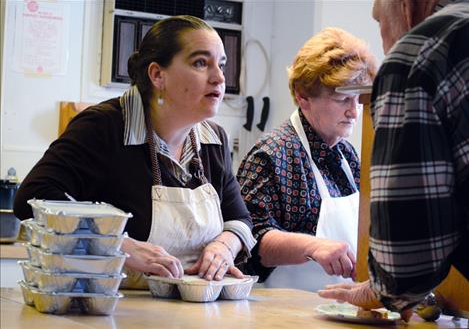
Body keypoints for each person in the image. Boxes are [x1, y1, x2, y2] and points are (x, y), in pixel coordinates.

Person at [13, 15, 256, 288]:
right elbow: (32, 198)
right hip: (108, 309)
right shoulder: (104, 127)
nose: (219, 78)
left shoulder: (214, 141)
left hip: (191, 310)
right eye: (201, 63)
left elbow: (240, 219)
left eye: (221, 65)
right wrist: (120, 244)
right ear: (157, 75)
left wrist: (225, 246)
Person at [318, 0, 469, 320]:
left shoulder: (419, 52)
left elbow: (409, 259)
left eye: (379, 21)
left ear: (407, 5)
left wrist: (384, 288)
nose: (386, 43)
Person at [237, 27, 377, 291]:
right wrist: (314, 246)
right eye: (343, 99)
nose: (354, 113)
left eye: (358, 100)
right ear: (303, 96)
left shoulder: (346, 155)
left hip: (341, 307)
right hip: (282, 313)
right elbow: (250, 242)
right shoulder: (271, 156)